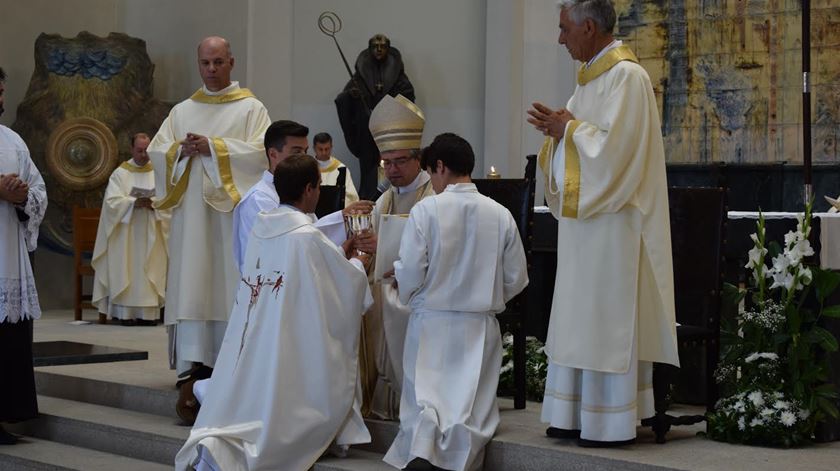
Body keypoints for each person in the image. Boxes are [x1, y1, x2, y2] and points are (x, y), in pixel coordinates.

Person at [526, 0, 678, 447]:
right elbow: (578, 138)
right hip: (586, 227)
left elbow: (618, 156)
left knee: (605, 323)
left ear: (588, 27)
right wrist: (561, 132)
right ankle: (571, 413)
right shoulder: (590, 80)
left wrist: (567, 131)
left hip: (616, 227)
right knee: (577, 318)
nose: (559, 39)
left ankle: (609, 420)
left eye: (563, 29)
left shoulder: (628, 77)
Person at [175, 155, 373, 471]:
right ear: (310, 188)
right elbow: (340, 289)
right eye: (318, 186)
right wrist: (360, 261)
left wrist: (339, 254)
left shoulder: (264, 227)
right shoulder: (306, 236)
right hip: (291, 337)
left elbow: (304, 272)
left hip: (259, 329)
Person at [383, 133, 528, 471]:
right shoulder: (500, 213)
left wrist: (403, 281)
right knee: (468, 408)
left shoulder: (427, 210)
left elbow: (413, 270)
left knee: (426, 402)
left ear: (440, 167)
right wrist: (486, 300)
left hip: (431, 323)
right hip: (478, 326)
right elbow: (517, 278)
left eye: (432, 173)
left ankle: (422, 452)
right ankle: (456, 459)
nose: (432, 182)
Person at [147, 36, 271, 395]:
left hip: (229, 219)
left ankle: (229, 362)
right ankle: (191, 364)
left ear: (232, 62)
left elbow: (262, 154)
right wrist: (179, 152)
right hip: (191, 219)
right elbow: (159, 151)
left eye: (218, 62)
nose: (212, 70)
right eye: (205, 63)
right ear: (198, 64)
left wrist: (214, 149)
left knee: (225, 281)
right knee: (193, 281)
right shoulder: (182, 110)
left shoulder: (251, 109)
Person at [361, 94, 435, 420]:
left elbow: (436, 245)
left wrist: (384, 246)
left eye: (400, 161)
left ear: (418, 159)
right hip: (386, 282)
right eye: (385, 163)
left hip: (421, 287)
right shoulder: (386, 199)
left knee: (390, 305)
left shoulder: (433, 194)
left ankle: (404, 400)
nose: (391, 170)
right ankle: (379, 398)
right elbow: (372, 247)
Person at [0, 66, 47, 445]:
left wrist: (22, 197)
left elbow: (39, 191)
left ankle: (5, 415)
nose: (0, 100)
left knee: (8, 339)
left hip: (7, 258)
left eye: (0, 91)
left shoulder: (13, 142)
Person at [91, 133, 169, 325]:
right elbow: (111, 203)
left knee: (150, 267)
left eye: (146, 150)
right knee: (127, 268)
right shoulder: (121, 173)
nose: (143, 155)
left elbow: (169, 202)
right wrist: (133, 202)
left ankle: (149, 315)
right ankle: (125, 314)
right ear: (131, 149)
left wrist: (155, 203)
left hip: (152, 230)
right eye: (139, 150)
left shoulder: (158, 172)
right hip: (126, 234)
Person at [335, 34, 415, 200]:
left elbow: (408, 97)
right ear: (369, 49)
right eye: (375, 46)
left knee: (391, 165)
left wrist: (391, 105)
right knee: (368, 167)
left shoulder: (397, 75)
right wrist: (353, 95)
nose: (379, 50)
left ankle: (390, 196)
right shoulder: (361, 74)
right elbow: (344, 98)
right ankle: (368, 196)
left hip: (389, 129)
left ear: (389, 49)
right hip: (368, 131)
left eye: (383, 46)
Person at [312, 132, 359, 205]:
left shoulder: (341, 168)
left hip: (335, 212)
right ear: (314, 148)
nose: (324, 153)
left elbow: (352, 196)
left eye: (327, 149)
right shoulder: (308, 168)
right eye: (320, 149)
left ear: (331, 147)